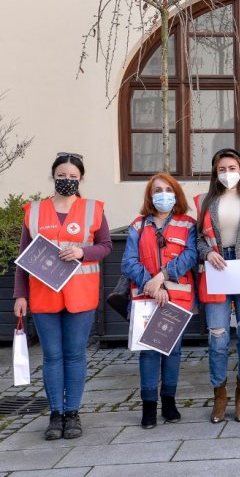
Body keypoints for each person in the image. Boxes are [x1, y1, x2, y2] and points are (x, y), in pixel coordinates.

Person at [13, 152, 113, 440]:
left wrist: (83, 252)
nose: (67, 181)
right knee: (52, 356)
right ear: (53, 176)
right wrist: (20, 295)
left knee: (74, 355)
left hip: (80, 296)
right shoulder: (33, 211)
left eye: (73, 177)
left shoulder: (93, 209)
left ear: (81, 179)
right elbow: (23, 257)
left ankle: (73, 413)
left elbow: (105, 245)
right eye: (61, 176)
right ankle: (55, 414)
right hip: (43, 296)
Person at [121, 173, 198, 429]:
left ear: (176, 193)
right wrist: (153, 286)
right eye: (157, 190)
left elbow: (190, 256)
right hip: (146, 299)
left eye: (167, 189)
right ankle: (149, 406)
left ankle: (169, 401)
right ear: (150, 196)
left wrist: (162, 277)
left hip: (177, 298)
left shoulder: (188, 224)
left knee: (172, 351)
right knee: (149, 352)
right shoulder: (138, 225)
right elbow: (128, 262)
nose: (162, 194)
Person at [195, 148, 240, 424]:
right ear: (215, 172)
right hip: (217, 269)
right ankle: (220, 395)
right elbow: (196, 239)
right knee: (218, 338)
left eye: (232, 168)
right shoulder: (203, 202)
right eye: (222, 169)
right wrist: (207, 252)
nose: (227, 174)